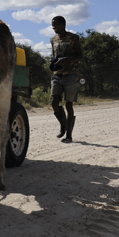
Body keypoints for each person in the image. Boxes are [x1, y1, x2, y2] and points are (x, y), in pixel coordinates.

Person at [50, 15, 82, 143]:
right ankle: (63, 126)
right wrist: (53, 62)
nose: (54, 28)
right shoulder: (52, 40)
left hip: (71, 75)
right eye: (53, 25)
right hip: (57, 75)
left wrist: (67, 60)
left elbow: (80, 56)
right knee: (54, 102)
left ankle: (69, 135)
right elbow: (54, 55)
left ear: (63, 24)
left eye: (56, 25)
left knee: (68, 104)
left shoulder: (74, 38)